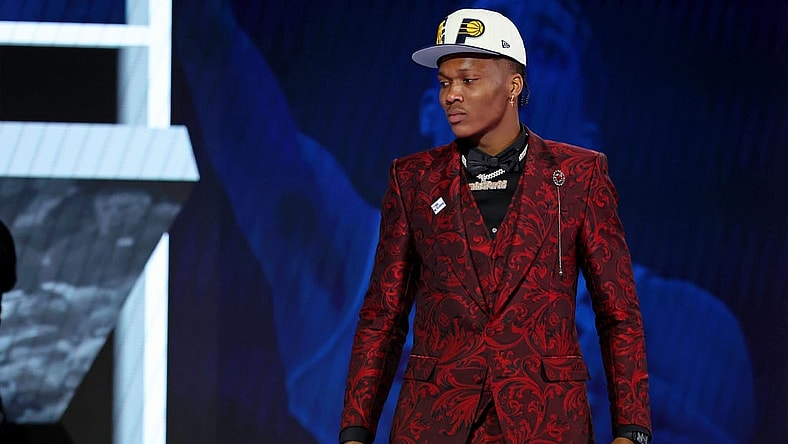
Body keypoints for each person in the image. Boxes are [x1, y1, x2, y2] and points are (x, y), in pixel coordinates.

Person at [339, 8, 651, 444]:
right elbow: (382, 317)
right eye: (445, 82)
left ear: (513, 86)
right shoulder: (412, 180)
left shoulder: (580, 176)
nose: (452, 95)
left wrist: (632, 430)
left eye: (468, 80)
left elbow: (618, 313)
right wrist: (355, 430)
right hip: (434, 423)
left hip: (547, 422)